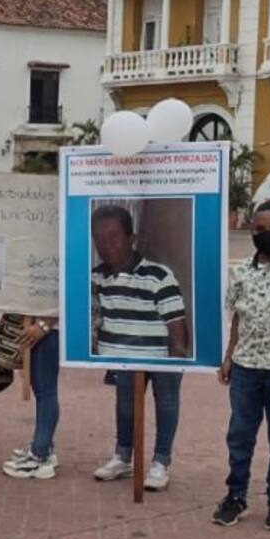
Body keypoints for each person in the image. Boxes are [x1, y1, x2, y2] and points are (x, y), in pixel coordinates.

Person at [213, 200, 270, 531]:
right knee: (239, 434)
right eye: (261, 229)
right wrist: (228, 355)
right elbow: (236, 316)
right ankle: (235, 495)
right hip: (246, 367)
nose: (267, 235)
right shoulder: (240, 273)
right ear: (251, 230)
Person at [88, 205, 188, 491]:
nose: (106, 244)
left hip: (160, 357)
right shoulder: (95, 278)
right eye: (99, 238)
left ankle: (160, 462)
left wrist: (175, 363)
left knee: (166, 405)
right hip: (124, 358)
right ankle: (123, 456)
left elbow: (176, 326)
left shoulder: (158, 275)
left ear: (131, 239)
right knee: (125, 406)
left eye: (113, 236)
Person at [2, 316, 61, 479]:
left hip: (48, 330)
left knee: (45, 392)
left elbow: (58, 297)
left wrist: (43, 325)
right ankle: (44, 447)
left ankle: (39, 456)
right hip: (45, 328)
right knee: (43, 390)